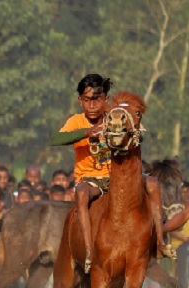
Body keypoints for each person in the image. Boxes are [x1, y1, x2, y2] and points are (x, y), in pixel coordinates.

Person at [50, 74, 172, 272]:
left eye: (97, 99)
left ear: (105, 99)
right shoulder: (76, 121)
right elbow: (55, 139)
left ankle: (159, 241)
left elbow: (136, 129)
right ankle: (89, 251)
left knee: (153, 184)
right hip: (90, 181)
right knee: (81, 193)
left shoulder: (115, 115)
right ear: (80, 100)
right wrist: (88, 133)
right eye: (87, 99)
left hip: (119, 179)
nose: (92, 105)